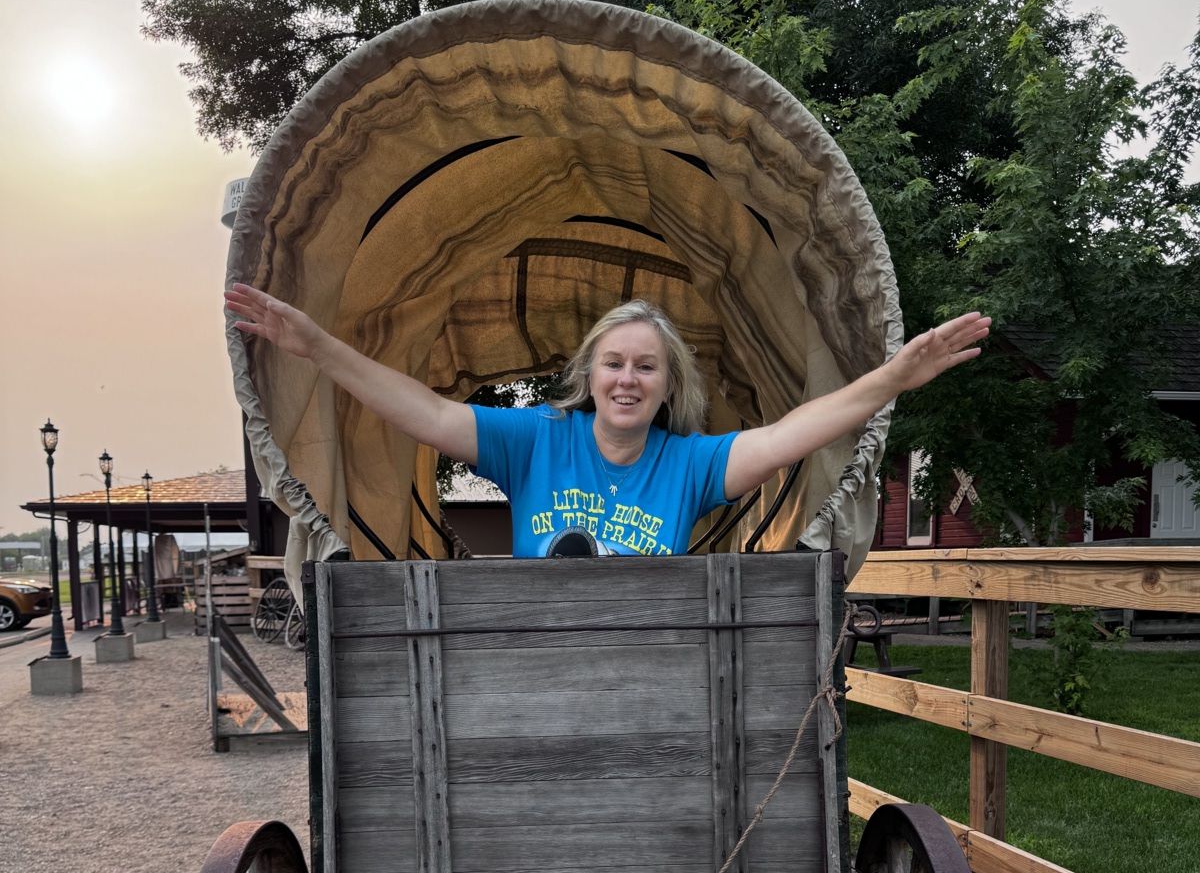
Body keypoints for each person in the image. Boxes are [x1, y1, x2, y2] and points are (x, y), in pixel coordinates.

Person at [225, 285, 990, 557]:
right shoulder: (532, 444)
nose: (628, 379)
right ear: (590, 375)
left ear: (666, 388)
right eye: (615, 363)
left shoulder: (690, 466)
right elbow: (421, 411)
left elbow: (794, 433)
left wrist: (894, 377)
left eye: (646, 367)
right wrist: (317, 346)